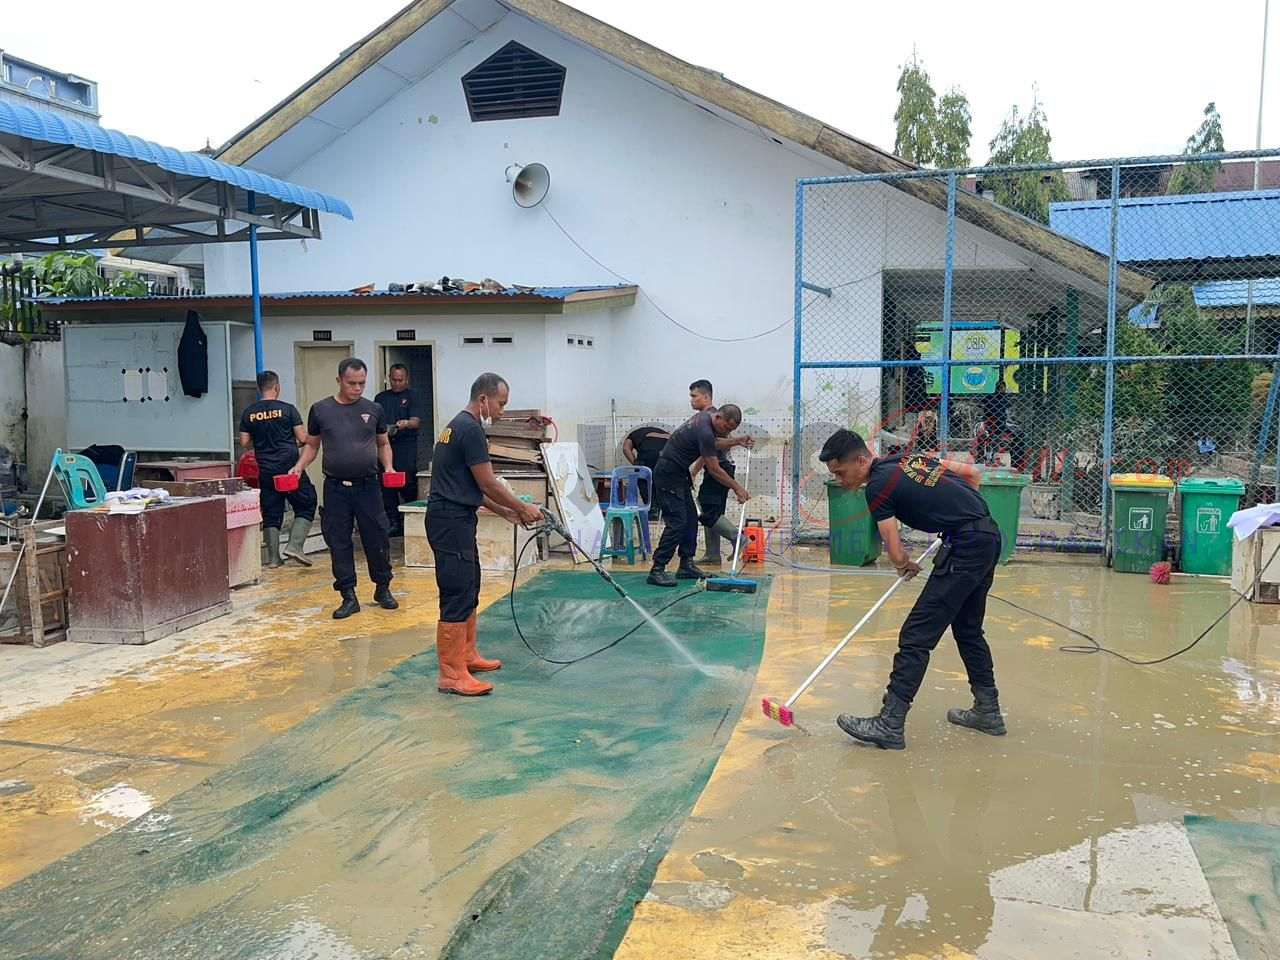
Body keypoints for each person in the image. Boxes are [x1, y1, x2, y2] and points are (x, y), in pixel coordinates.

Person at [819, 429, 1005, 751]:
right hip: (987, 536)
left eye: (840, 472)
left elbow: (894, 549)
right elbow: (972, 475)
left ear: (861, 460)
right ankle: (988, 711)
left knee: (916, 634)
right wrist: (960, 518)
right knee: (968, 629)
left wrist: (904, 563)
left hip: (966, 546)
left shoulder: (877, 486)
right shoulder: (909, 459)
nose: (839, 480)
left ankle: (890, 723)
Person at [428, 373, 543, 696]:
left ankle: (466, 655)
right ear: (483, 399)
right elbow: (488, 482)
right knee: (457, 591)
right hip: (449, 521)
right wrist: (522, 506)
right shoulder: (470, 430)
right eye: (501, 404)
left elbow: (468, 485)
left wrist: (505, 511)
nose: (503, 411)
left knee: (470, 584)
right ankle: (451, 675)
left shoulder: (459, 426)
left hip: (457, 518)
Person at [291, 358, 397, 620]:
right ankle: (348, 596)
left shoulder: (374, 409)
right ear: (339, 380)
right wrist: (299, 466)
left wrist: (389, 467)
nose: (357, 388)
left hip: (368, 486)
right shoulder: (321, 410)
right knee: (338, 541)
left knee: (377, 537)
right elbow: (312, 445)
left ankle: (382, 588)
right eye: (352, 383)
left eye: (362, 383)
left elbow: (383, 443)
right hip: (336, 488)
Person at [648, 403, 751, 587]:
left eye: (731, 430)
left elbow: (714, 443)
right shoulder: (704, 430)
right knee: (677, 522)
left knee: (691, 519)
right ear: (718, 417)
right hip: (668, 473)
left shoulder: (707, 417)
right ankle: (657, 568)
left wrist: (737, 441)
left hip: (679, 473)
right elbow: (714, 469)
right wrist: (737, 488)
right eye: (726, 428)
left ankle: (686, 564)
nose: (726, 433)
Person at [238, 370, 316, 568]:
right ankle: (294, 546)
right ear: (277, 387)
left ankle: (274, 559)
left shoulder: (249, 413)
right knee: (306, 504)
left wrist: (262, 444)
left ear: (259, 388)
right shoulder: (288, 410)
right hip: (290, 469)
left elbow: (245, 442)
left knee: (272, 512)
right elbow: (302, 438)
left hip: (266, 469)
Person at [688, 379, 752, 565]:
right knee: (713, 512)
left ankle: (738, 538)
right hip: (719, 466)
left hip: (720, 467)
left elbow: (713, 446)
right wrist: (696, 470)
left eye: (694, 396)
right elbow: (708, 449)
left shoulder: (714, 419)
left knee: (707, 511)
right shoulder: (711, 418)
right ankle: (713, 554)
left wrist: (694, 470)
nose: (691, 400)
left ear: (706, 397)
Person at [374, 364, 422, 536]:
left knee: (407, 482)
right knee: (386, 484)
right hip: (384, 444)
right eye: (394, 380)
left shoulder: (412, 396)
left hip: (405, 445)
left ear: (406, 379)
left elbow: (416, 421)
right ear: (389, 378)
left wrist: (406, 423)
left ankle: (410, 517)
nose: (397, 383)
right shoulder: (381, 398)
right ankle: (393, 522)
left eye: (400, 380)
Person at [622, 424, 670, 521]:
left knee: (644, 480)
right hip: (667, 454)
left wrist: (636, 464)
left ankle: (652, 509)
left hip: (648, 454)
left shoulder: (633, 435)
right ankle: (665, 510)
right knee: (664, 482)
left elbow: (625, 448)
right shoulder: (664, 432)